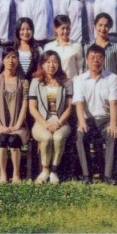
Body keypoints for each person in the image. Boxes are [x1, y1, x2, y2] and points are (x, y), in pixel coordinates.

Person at [73, 45, 117, 184]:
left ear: (104, 59)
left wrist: (113, 123)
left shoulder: (112, 78)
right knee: (81, 136)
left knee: (113, 134)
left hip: (106, 119)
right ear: (87, 60)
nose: (96, 60)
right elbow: (79, 103)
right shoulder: (79, 79)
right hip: (88, 120)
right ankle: (87, 176)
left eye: (99, 57)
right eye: (92, 57)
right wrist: (82, 123)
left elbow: (114, 102)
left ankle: (108, 175)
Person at [28, 51, 74, 185]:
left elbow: (69, 108)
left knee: (58, 137)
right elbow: (32, 108)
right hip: (41, 122)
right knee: (47, 138)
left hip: (61, 122)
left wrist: (58, 123)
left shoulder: (66, 82)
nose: (51, 65)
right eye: (47, 62)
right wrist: (45, 124)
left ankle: (54, 170)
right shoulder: (35, 82)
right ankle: (45, 169)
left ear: (58, 64)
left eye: (54, 62)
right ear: (42, 64)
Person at [0, 48, 30, 184]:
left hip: (18, 123)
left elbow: (25, 105)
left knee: (13, 140)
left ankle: (16, 173)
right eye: (7, 57)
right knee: (2, 139)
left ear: (18, 61)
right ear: (2, 60)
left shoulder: (23, 82)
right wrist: (0, 125)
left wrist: (17, 125)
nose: (11, 61)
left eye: (14, 57)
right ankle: (3, 173)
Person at [44, 15, 84, 80]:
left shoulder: (77, 46)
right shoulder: (48, 47)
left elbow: (80, 70)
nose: (65, 31)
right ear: (55, 29)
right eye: (63, 28)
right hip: (54, 83)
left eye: (68, 28)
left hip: (72, 83)